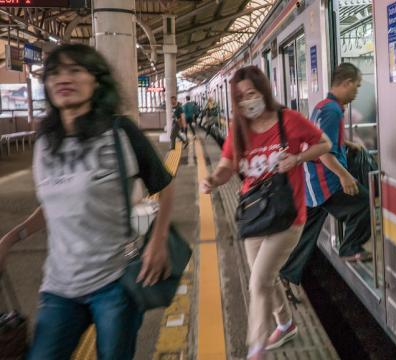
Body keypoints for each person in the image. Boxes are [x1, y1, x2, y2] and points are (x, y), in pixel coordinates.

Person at [0, 44, 174, 359]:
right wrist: (11, 239)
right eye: (54, 73)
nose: (63, 78)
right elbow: (55, 206)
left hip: (116, 282)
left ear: (96, 80)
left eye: (75, 70)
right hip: (59, 286)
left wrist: (158, 241)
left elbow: (164, 185)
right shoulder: (44, 143)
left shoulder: (121, 132)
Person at [199, 66, 331, 360]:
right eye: (241, 97)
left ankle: (255, 348)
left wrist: (297, 158)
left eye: (252, 94)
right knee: (266, 278)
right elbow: (227, 164)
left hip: (288, 216)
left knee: (258, 281)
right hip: (254, 214)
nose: (247, 101)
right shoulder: (238, 128)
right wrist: (213, 179)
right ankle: (285, 324)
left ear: (264, 92)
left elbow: (325, 144)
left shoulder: (289, 121)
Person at [279, 63, 373, 289]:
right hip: (325, 181)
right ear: (346, 83)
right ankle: (350, 248)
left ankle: (287, 272)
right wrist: (345, 176)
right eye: (356, 87)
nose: (356, 92)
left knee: (308, 232)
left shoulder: (323, 106)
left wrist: (346, 143)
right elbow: (324, 153)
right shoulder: (332, 111)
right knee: (363, 203)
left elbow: (319, 138)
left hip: (312, 181)